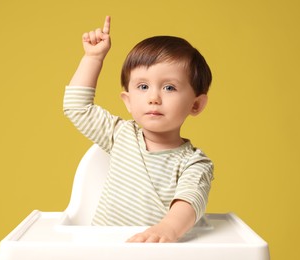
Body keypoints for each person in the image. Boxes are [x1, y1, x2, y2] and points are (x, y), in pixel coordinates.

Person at [63, 16, 214, 243]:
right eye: (143, 86)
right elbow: (77, 107)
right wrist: (93, 58)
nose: (154, 97)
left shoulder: (195, 163)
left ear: (196, 104)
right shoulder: (119, 134)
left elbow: (189, 201)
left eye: (169, 87)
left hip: (156, 249)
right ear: (128, 101)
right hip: (103, 248)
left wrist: (167, 229)